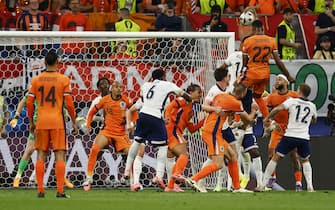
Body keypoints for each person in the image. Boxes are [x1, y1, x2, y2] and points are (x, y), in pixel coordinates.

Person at [123, 69, 193, 191]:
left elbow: (142, 100)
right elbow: (182, 93)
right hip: (154, 118)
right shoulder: (167, 86)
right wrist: (190, 99)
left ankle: (127, 171)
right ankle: (158, 176)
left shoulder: (146, 86)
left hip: (143, 117)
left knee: (137, 142)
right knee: (163, 147)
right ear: (164, 76)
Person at [185, 81, 257, 193]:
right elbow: (247, 119)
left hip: (211, 130)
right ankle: (194, 179)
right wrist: (254, 111)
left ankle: (237, 188)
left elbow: (210, 108)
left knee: (232, 156)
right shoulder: (236, 103)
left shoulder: (220, 96)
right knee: (218, 164)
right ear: (243, 93)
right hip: (213, 132)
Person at [26, 50, 78, 198]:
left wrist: (31, 121)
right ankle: (60, 191)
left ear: (44, 62)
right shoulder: (63, 79)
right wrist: (74, 122)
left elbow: (30, 103)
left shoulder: (36, 80)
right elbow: (69, 104)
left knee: (41, 155)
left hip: (41, 122)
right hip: (57, 122)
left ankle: (41, 190)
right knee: (59, 155)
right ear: (58, 62)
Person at [261, 83, 317, 192]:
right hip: (304, 137)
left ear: (299, 91)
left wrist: (268, 117)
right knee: (305, 160)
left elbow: (278, 109)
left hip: (290, 135)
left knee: (275, 158)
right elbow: (314, 120)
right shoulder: (312, 106)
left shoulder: (292, 101)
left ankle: (263, 184)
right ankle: (310, 186)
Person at [11, 93, 74, 189]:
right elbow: (23, 101)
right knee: (30, 150)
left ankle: (62, 177)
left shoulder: (55, 89)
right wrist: (16, 116)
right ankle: (18, 177)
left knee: (61, 152)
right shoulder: (36, 88)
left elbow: (60, 105)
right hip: (39, 124)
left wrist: (65, 115)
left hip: (55, 125)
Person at [82, 80, 133, 191]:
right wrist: (88, 124)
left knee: (130, 153)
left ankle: (132, 180)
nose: (119, 89)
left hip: (121, 134)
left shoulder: (126, 100)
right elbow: (91, 112)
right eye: (116, 87)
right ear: (112, 89)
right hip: (106, 131)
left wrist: (131, 123)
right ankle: (89, 177)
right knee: (95, 149)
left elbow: (134, 111)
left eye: (121, 87)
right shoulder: (103, 100)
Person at [241, 19, 294, 120]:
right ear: (263, 28)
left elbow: (245, 63)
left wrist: (241, 75)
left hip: (252, 74)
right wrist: (288, 76)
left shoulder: (248, 41)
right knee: (257, 97)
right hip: (265, 75)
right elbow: (278, 62)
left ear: (253, 29)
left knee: (237, 94)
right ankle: (268, 122)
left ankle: (241, 120)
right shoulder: (271, 40)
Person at [164, 84, 205, 192]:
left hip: (174, 131)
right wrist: (167, 117)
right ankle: (177, 174)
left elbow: (191, 129)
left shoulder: (191, 109)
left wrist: (203, 121)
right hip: (172, 129)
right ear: (190, 93)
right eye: (198, 92)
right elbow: (169, 107)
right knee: (184, 154)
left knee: (174, 158)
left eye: (201, 93)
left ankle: (170, 186)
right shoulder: (183, 100)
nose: (200, 95)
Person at [265, 74, 302, 191]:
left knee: (294, 156)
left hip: (291, 130)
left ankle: (298, 183)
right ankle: (272, 177)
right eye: (276, 80)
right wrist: (273, 123)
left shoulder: (294, 95)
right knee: (271, 152)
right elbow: (269, 114)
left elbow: (301, 110)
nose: (277, 81)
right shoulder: (272, 97)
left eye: (279, 79)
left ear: (286, 83)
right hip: (278, 129)